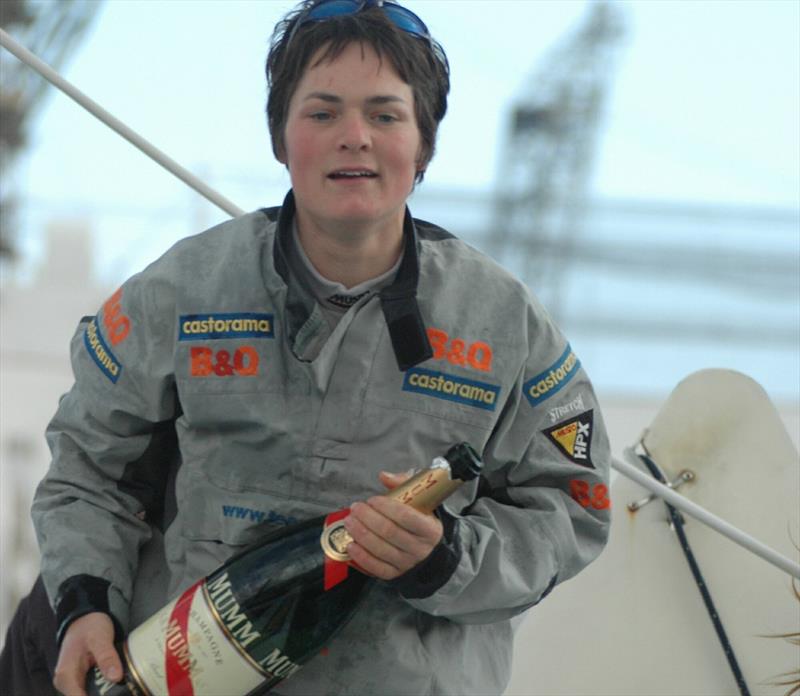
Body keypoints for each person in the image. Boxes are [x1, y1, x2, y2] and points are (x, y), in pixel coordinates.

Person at [2, 1, 612, 694]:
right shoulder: (181, 290)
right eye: (322, 113)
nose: (354, 137)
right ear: (281, 138)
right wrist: (83, 608)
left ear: (423, 146)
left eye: (385, 115)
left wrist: (447, 558)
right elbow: (89, 467)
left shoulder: (507, 325)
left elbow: (573, 507)